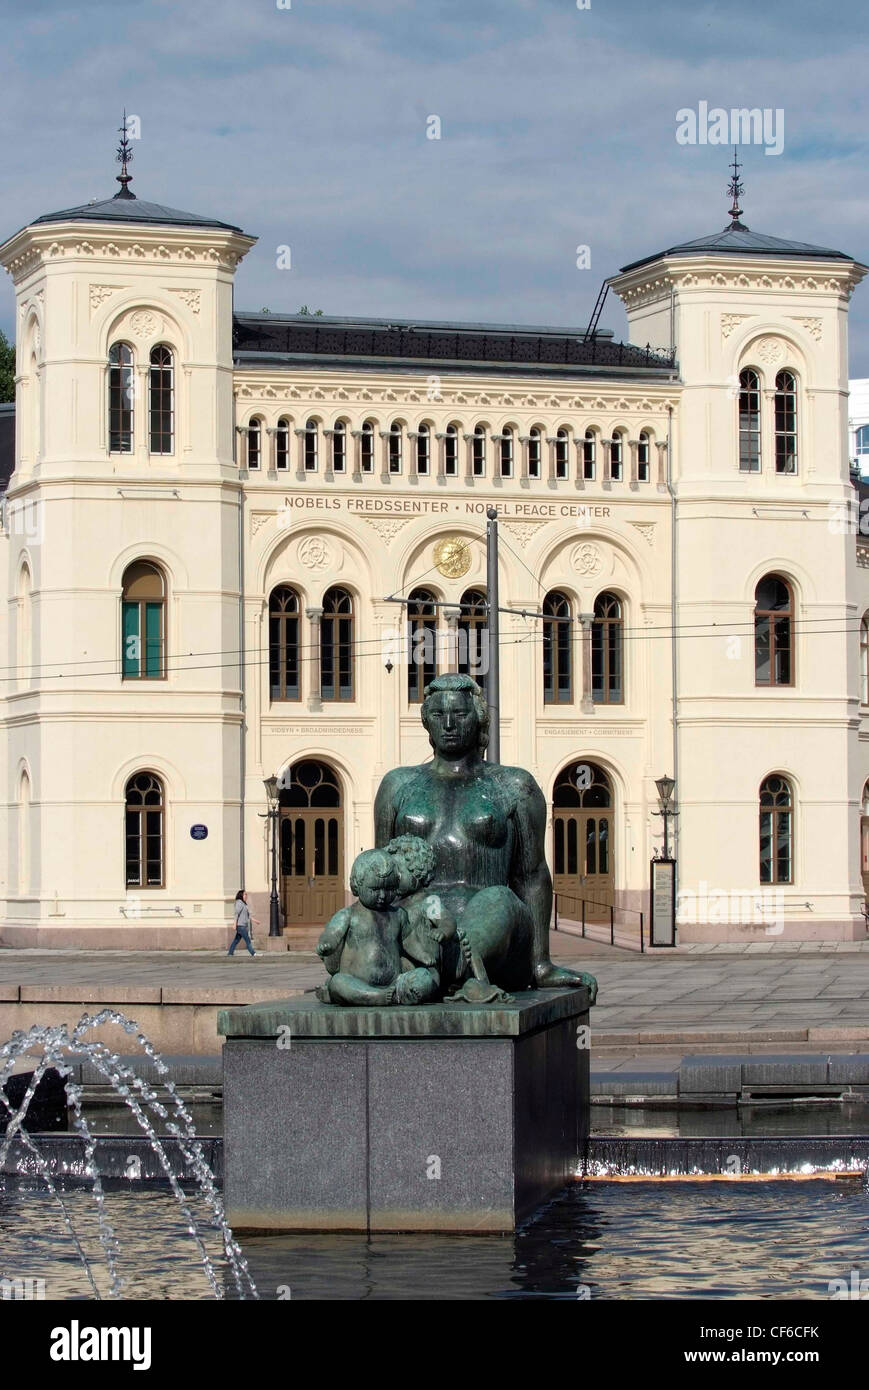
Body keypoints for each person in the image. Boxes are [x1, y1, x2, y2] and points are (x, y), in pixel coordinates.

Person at [373, 673, 597, 1000]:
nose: (448, 724)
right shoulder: (398, 785)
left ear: (477, 719)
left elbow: (532, 876)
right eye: (438, 715)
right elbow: (380, 871)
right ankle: (431, 971)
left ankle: (442, 971)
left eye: (460, 714)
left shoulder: (514, 785)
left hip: (495, 932)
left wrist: (541, 964)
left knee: (499, 899)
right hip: (422, 929)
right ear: (427, 723)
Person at [315, 848, 441, 1005]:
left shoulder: (398, 914)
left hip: (394, 981)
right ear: (356, 886)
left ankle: (397, 994)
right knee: (339, 982)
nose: (382, 895)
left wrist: (422, 955)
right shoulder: (349, 914)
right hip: (355, 980)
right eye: (375, 890)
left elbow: (408, 939)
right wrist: (327, 944)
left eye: (389, 889)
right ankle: (376, 996)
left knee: (424, 976)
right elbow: (333, 933)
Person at [227, 889, 258, 957]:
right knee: (248, 940)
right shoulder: (239, 903)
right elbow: (236, 914)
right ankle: (253, 953)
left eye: (246, 894)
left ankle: (230, 953)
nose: (246, 896)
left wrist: (255, 921)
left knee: (236, 940)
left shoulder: (244, 904)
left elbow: (248, 915)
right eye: (245, 894)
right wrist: (234, 924)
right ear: (241, 895)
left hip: (242, 925)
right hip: (240, 926)